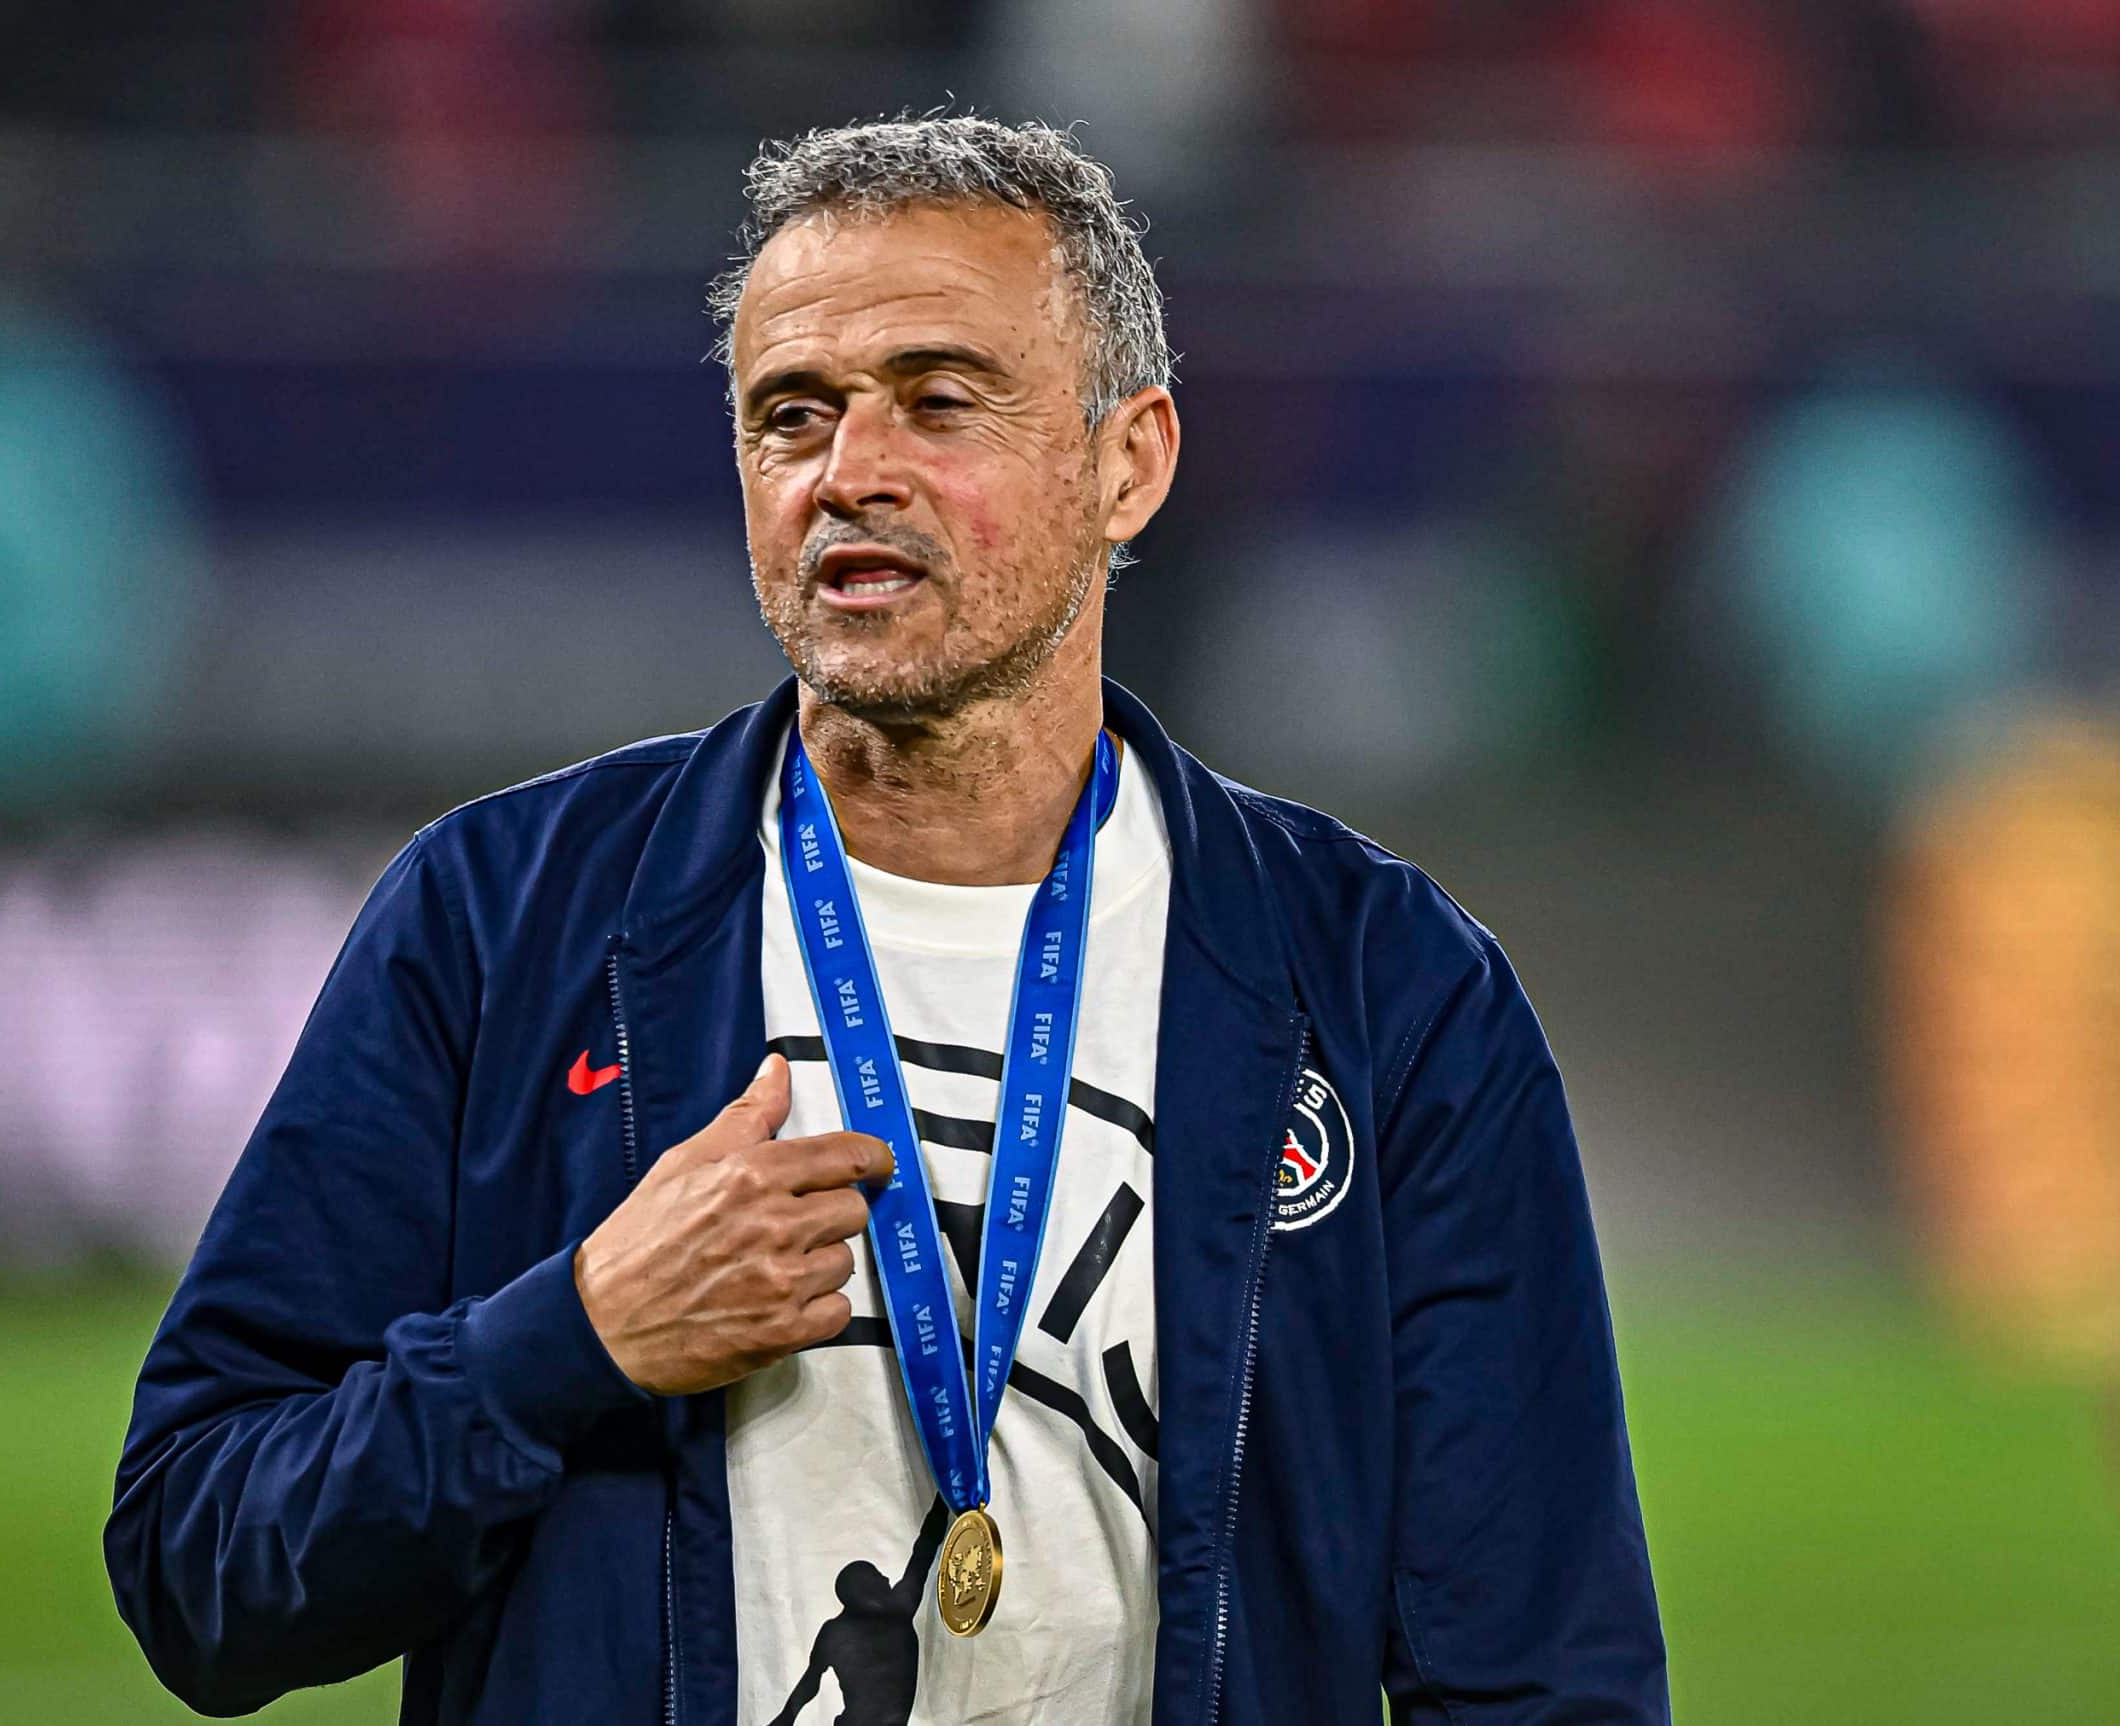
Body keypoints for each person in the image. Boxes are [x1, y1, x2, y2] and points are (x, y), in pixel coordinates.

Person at [105, 115, 1668, 1725]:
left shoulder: (1388, 991)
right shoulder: (502, 924)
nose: (852, 472)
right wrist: (571, 1336)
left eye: (939, 400)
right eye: (794, 416)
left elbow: (1541, 1671)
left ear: (1128, 461)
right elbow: (197, 1559)